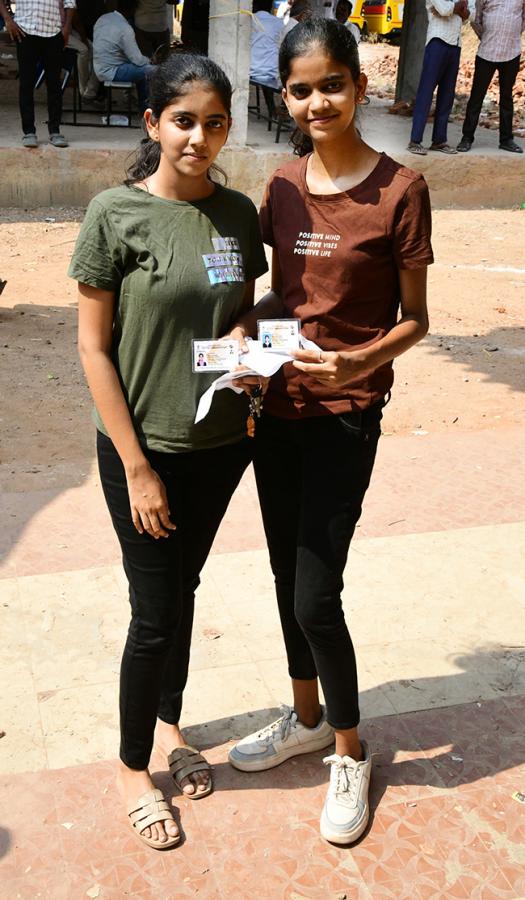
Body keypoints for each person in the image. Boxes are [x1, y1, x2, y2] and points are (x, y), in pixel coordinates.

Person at [227, 18, 432, 846]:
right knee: (284, 577)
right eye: (301, 89)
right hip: (275, 410)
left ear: (359, 86)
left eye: (332, 86)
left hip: (347, 418)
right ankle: (306, 717)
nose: (318, 101)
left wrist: (358, 367)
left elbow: (415, 320)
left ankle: (350, 750)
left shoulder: (401, 188)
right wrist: (245, 331)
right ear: (287, 96)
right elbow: (283, 298)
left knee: (317, 591)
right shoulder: (279, 183)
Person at [68, 53, 268, 850]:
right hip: (141, 451)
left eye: (214, 123)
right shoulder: (114, 213)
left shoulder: (238, 214)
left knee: (182, 589)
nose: (199, 137)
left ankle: (169, 723)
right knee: (153, 616)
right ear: (153, 124)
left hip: (221, 446)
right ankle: (131, 769)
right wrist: (139, 468)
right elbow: (92, 351)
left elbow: (242, 310)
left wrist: (248, 343)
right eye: (184, 120)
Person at [0, 0, 74, 148]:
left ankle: (55, 131)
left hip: (53, 32)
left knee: (54, 84)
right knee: (26, 84)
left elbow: (70, 3)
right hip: (25, 31)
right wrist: (8, 20)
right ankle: (29, 132)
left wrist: (67, 27)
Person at [457, 0, 524, 154]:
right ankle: (467, 138)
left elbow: (523, 18)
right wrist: (488, 36)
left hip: (511, 51)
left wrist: (511, 34)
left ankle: (506, 140)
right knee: (476, 97)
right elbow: (476, 18)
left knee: (506, 97)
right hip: (487, 51)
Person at [408, 0, 471, 155]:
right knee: (426, 92)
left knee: (447, 95)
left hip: (456, 44)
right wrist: (459, 8)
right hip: (437, 41)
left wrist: (455, 9)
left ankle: (439, 141)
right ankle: (415, 141)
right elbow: (443, 9)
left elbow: (471, 14)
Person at [93, 0, 155, 112]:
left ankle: (143, 106)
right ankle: (147, 109)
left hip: (99, 67)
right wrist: (149, 60)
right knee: (152, 70)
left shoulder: (103, 18)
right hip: (113, 71)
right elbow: (137, 60)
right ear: (133, 10)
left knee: (142, 72)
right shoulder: (125, 28)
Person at [250, 0, 284, 90]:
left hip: (250, 72)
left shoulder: (249, 20)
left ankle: (270, 103)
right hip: (271, 73)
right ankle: (271, 103)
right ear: (271, 7)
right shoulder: (279, 23)